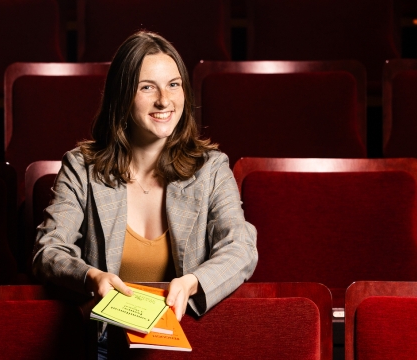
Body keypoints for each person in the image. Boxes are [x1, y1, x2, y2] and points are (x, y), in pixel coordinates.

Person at [31, 31, 258, 329]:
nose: (164, 101)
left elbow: (240, 247)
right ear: (122, 95)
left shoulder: (211, 168)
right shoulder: (81, 168)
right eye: (147, 87)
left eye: (173, 85)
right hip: (105, 342)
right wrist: (91, 277)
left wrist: (192, 282)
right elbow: (48, 250)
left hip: (188, 336)